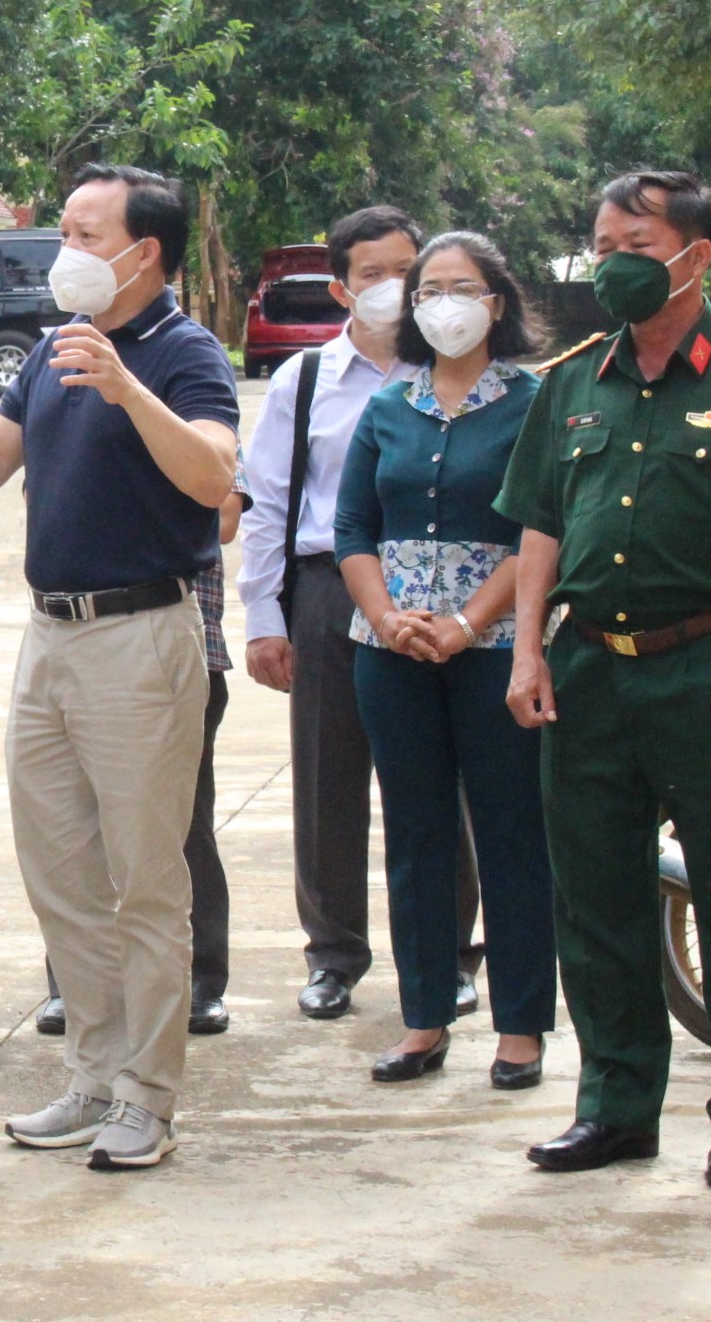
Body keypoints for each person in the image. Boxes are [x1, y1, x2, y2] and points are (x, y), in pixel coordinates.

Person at [498, 171, 711, 1189]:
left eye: (637, 244)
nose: (613, 261)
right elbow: (541, 523)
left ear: (695, 256)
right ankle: (615, 1105)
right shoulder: (571, 380)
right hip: (588, 670)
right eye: (603, 240)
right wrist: (526, 648)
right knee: (598, 899)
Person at [0, 164, 239, 1171]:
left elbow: (215, 479)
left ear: (145, 253)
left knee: (146, 879)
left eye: (85, 233)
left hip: (141, 636)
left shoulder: (184, 353)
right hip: (48, 636)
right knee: (60, 874)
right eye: (63, 230)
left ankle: (149, 1095)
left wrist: (128, 386)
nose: (66, 250)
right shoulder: (54, 349)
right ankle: (93, 1075)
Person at [237, 206, 483, 1020]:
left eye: (406, 270)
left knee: (439, 782)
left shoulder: (456, 375)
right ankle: (333, 953)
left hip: (437, 592)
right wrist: (266, 619)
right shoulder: (303, 381)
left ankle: (447, 953)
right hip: (327, 593)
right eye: (372, 273)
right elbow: (268, 504)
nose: (393, 288)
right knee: (327, 777)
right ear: (340, 286)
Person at [333, 231, 555, 1088]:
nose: (442, 304)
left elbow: (540, 527)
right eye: (428, 291)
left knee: (509, 831)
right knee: (416, 835)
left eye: (461, 287)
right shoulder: (391, 405)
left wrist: (467, 621)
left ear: (496, 301)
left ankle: (522, 1028)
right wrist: (386, 617)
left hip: (496, 647)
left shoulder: (534, 402)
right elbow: (353, 528)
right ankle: (424, 1017)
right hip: (390, 652)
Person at [34, 474, 249, 1040]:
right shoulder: (70, 402)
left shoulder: (184, 400)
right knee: (77, 834)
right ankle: (73, 986)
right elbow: (48, 508)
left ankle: (201, 978)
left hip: (177, 650)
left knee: (180, 828)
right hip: (79, 644)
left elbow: (222, 515)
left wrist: (119, 507)